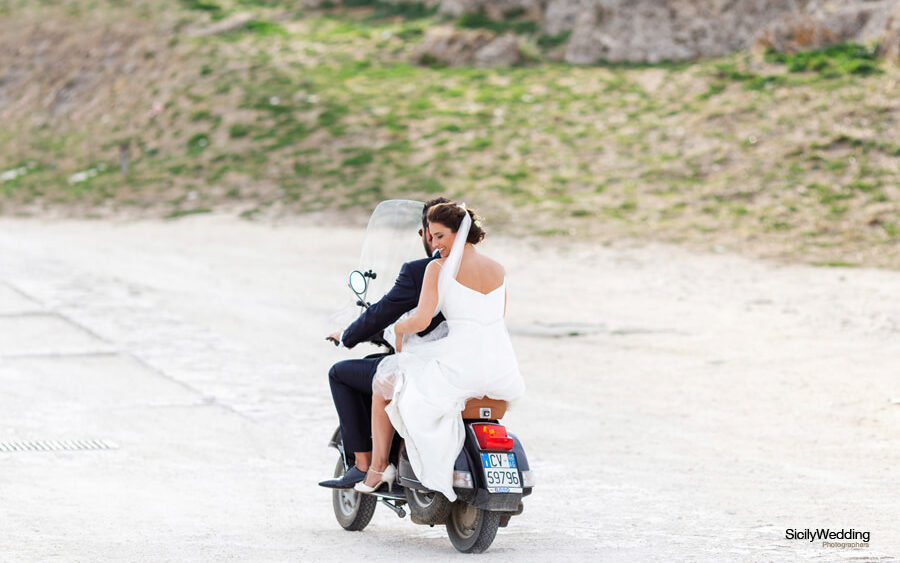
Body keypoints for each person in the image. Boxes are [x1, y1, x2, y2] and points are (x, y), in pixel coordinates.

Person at [354, 203, 525, 501]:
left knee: (382, 384)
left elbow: (421, 319)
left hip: (459, 364)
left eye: (441, 236)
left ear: (460, 233)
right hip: (501, 365)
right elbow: (498, 316)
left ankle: (379, 468)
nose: (435, 245)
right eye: (432, 237)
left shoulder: (438, 268)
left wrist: (398, 329)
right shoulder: (498, 269)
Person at [318, 197, 451, 489]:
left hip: (425, 362)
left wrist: (349, 336)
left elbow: (383, 312)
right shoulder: (478, 271)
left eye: (431, 233)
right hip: (466, 365)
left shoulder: (423, 271)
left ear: (428, 234)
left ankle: (365, 465)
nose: (429, 239)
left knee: (341, 373)